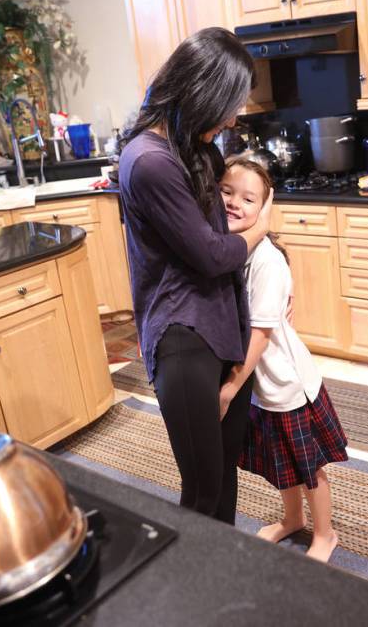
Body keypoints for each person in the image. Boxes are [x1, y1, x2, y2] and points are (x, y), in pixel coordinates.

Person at [118, 28, 273, 524]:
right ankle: (192, 592)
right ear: (202, 90)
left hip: (223, 326)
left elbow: (220, 238)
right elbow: (212, 253)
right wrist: (261, 230)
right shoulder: (149, 162)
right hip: (183, 339)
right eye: (228, 106)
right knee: (202, 492)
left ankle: (223, 582)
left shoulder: (197, 149)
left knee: (226, 472)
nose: (232, 119)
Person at [218, 157, 349, 562]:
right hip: (262, 385)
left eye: (248, 198)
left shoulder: (266, 260)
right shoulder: (230, 251)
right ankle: (293, 519)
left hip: (288, 384)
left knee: (309, 467)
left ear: (265, 209)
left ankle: (325, 533)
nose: (234, 203)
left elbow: (262, 331)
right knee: (282, 461)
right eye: (227, 192)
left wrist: (232, 386)